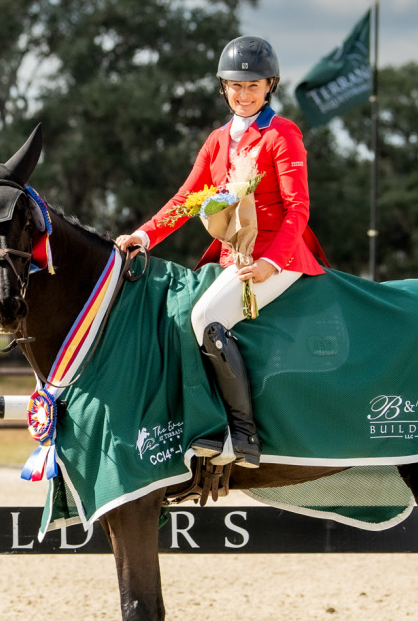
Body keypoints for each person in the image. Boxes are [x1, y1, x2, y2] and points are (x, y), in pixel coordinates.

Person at [115, 35, 327, 468]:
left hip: (277, 256)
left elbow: (298, 208)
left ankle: (242, 433)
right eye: (235, 86)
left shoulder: (283, 134)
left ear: (270, 86)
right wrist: (144, 235)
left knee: (206, 317)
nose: (244, 94)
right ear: (223, 88)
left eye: (253, 86)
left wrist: (272, 262)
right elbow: (186, 197)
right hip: (232, 256)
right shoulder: (217, 140)